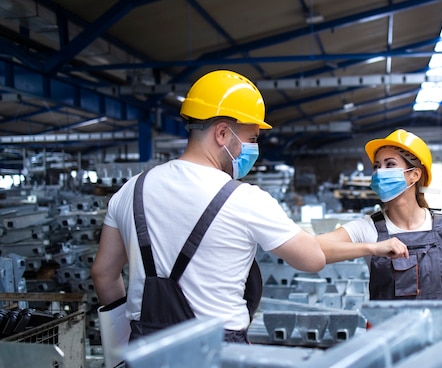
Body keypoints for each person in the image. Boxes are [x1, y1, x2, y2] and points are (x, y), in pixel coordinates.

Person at [91, 69, 326, 344]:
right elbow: (313, 259)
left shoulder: (130, 190)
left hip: (146, 358)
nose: (253, 149)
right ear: (223, 133)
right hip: (220, 361)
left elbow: (103, 274)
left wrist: (125, 344)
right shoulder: (244, 199)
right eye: (251, 139)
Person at [316, 129, 442, 324]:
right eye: (376, 166)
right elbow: (313, 248)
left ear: (414, 175)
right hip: (385, 346)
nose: (380, 173)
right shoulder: (368, 229)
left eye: (390, 165)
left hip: (437, 344)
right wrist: (372, 248)